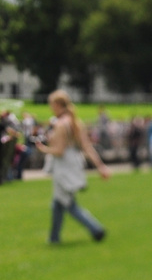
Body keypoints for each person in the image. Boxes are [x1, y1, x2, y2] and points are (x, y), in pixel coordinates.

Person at [43, 90, 111, 244]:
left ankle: (96, 229)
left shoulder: (60, 124)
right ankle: (54, 238)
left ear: (57, 105)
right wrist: (100, 166)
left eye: (51, 104)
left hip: (63, 165)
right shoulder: (76, 122)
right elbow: (87, 147)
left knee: (67, 203)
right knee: (58, 202)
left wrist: (43, 148)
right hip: (74, 163)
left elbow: (58, 151)